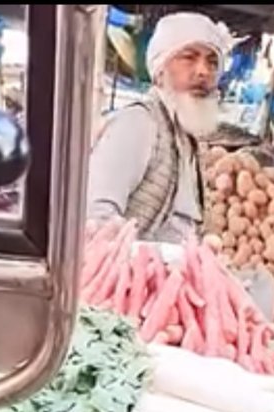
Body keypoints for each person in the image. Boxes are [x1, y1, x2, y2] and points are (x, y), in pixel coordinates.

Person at [87, 12, 231, 243]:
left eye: (212, 62)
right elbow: (94, 217)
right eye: (189, 57)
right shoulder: (139, 122)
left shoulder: (188, 138)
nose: (203, 71)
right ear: (159, 71)